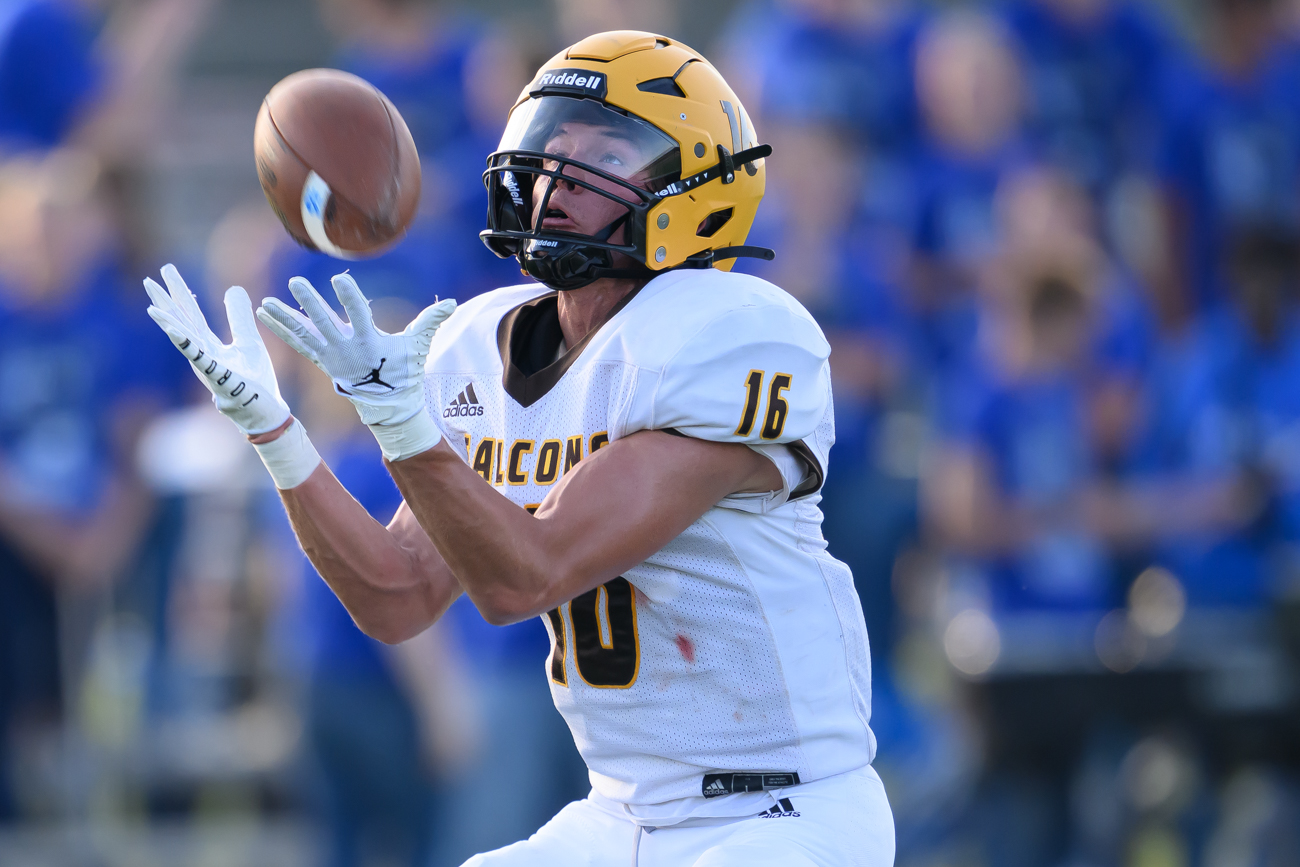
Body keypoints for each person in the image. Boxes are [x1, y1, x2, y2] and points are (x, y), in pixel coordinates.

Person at [143, 31, 893, 866]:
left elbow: (527, 575)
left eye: (605, 153)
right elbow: (397, 595)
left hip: (782, 811)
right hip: (620, 812)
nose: (557, 180)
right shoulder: (479, 345)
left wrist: (403, 429)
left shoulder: (734, 334)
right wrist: (276, 434)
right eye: (551, 150)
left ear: (698, 190)